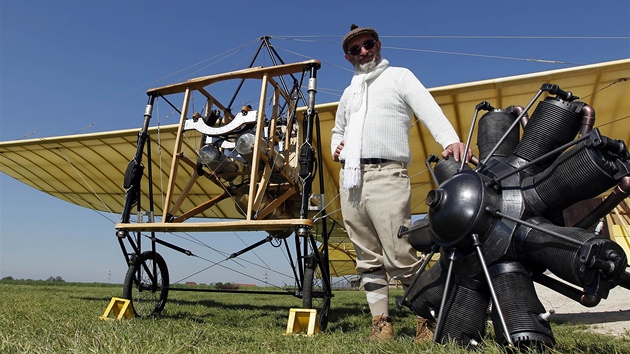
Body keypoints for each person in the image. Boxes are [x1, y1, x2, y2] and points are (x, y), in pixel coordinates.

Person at [331, 24, 471, 342]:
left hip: (387, 175)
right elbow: (338, 130)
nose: (363, 51)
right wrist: (335, 146)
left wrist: (449, 140)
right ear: (347, 56)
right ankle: (381, 324)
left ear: (378, 45)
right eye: (356, 49)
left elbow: (428, 108)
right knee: (366, 256)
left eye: (368, 44)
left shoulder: (400, 77)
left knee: (400, 253)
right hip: (350, 179)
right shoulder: (348, 93)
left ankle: (428, 318)